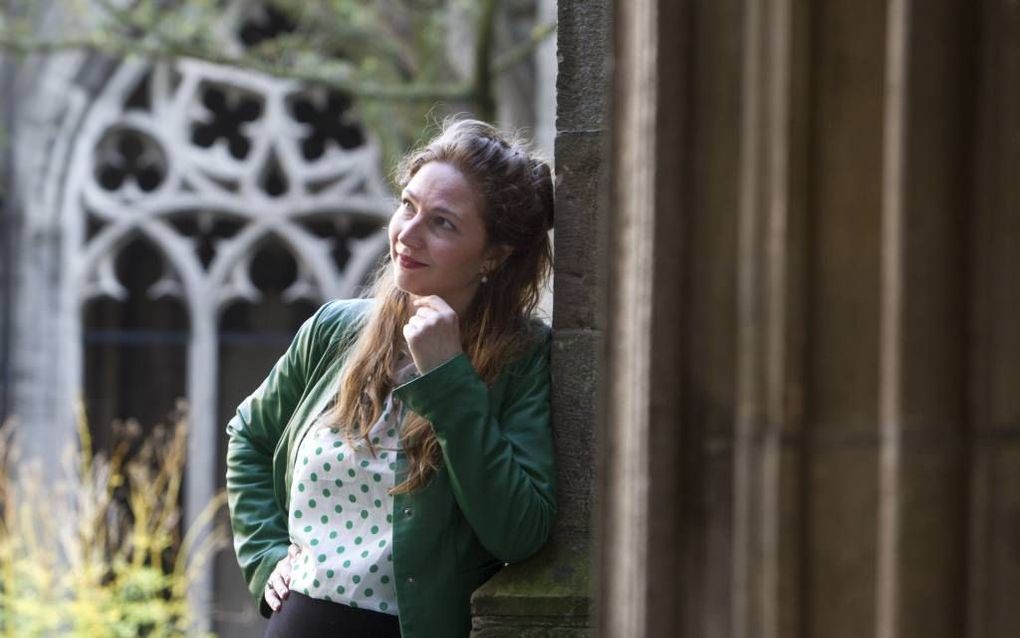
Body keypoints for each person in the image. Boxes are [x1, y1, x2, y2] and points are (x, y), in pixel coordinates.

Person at [225, 117, 557, 638]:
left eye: (442, 223)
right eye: (408, 205)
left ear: (494, 254)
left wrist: (449, 378)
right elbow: (248, 435)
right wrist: (266, 556)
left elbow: (519, 531)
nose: (408, 233)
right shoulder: (334, 330)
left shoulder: (523, 359)